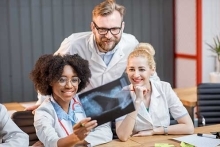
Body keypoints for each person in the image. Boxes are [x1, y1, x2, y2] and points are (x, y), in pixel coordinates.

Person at [115, 43, 194, 141]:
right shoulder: (123, 94)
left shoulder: (165, 88)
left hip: (163, 143)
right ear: (127, 70)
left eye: (141, 69)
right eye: (131, 69)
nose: (136, 75)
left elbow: (189, 127)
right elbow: (123, 136)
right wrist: (137, 101)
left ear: (152, 70)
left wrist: (155, 131)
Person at [30, 54, 111, 147]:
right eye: (62, 80)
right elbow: (53, 143)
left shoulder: (85, 101)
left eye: (74, 80)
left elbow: (106, 131)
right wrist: (76, 137)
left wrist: (77, 141)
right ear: (50, 81)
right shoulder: (43, 112)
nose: (69, 86)